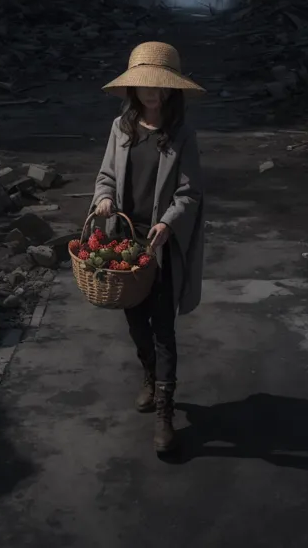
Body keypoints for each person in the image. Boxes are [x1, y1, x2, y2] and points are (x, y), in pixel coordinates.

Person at [92, 41, 205, 455]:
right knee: (135, 322)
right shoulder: (120, 129)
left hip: (160, 244)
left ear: (172, 90)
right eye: (145, 87)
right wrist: (103, 199)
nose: (152, 95)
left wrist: (166, 224)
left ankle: (165, 412)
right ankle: (148, 376)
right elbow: (105, 176)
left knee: (163, 329)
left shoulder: (182, 135)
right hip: (125, 244)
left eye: (160, 88)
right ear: (133, 89)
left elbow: (190, 194)